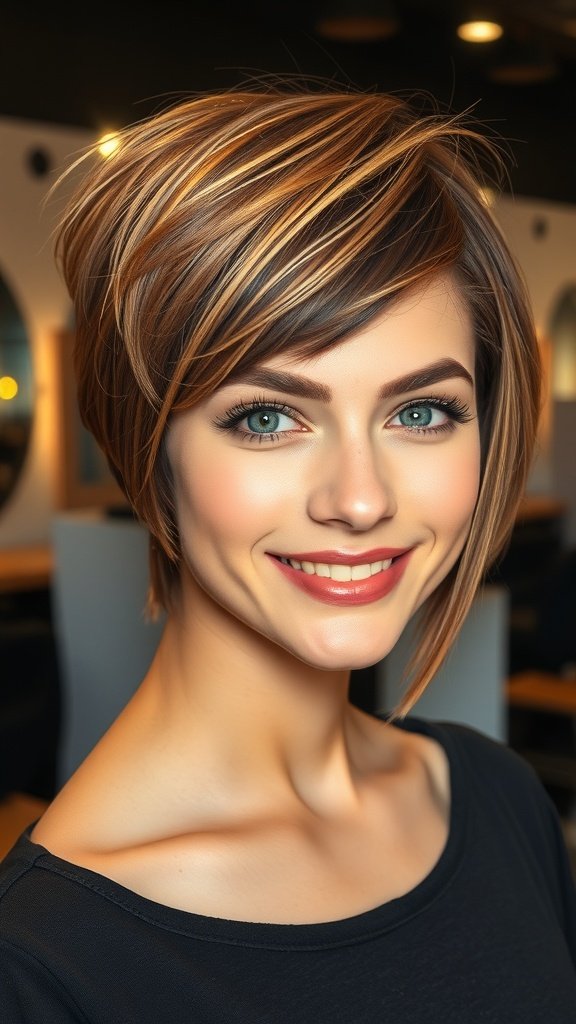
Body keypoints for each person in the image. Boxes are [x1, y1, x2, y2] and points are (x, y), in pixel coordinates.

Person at [1, 82, 575, 1022]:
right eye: (268, 418)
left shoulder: (500, 801)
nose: (359, 499)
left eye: (422, 412)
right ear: (146, 447)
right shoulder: (39, 971)